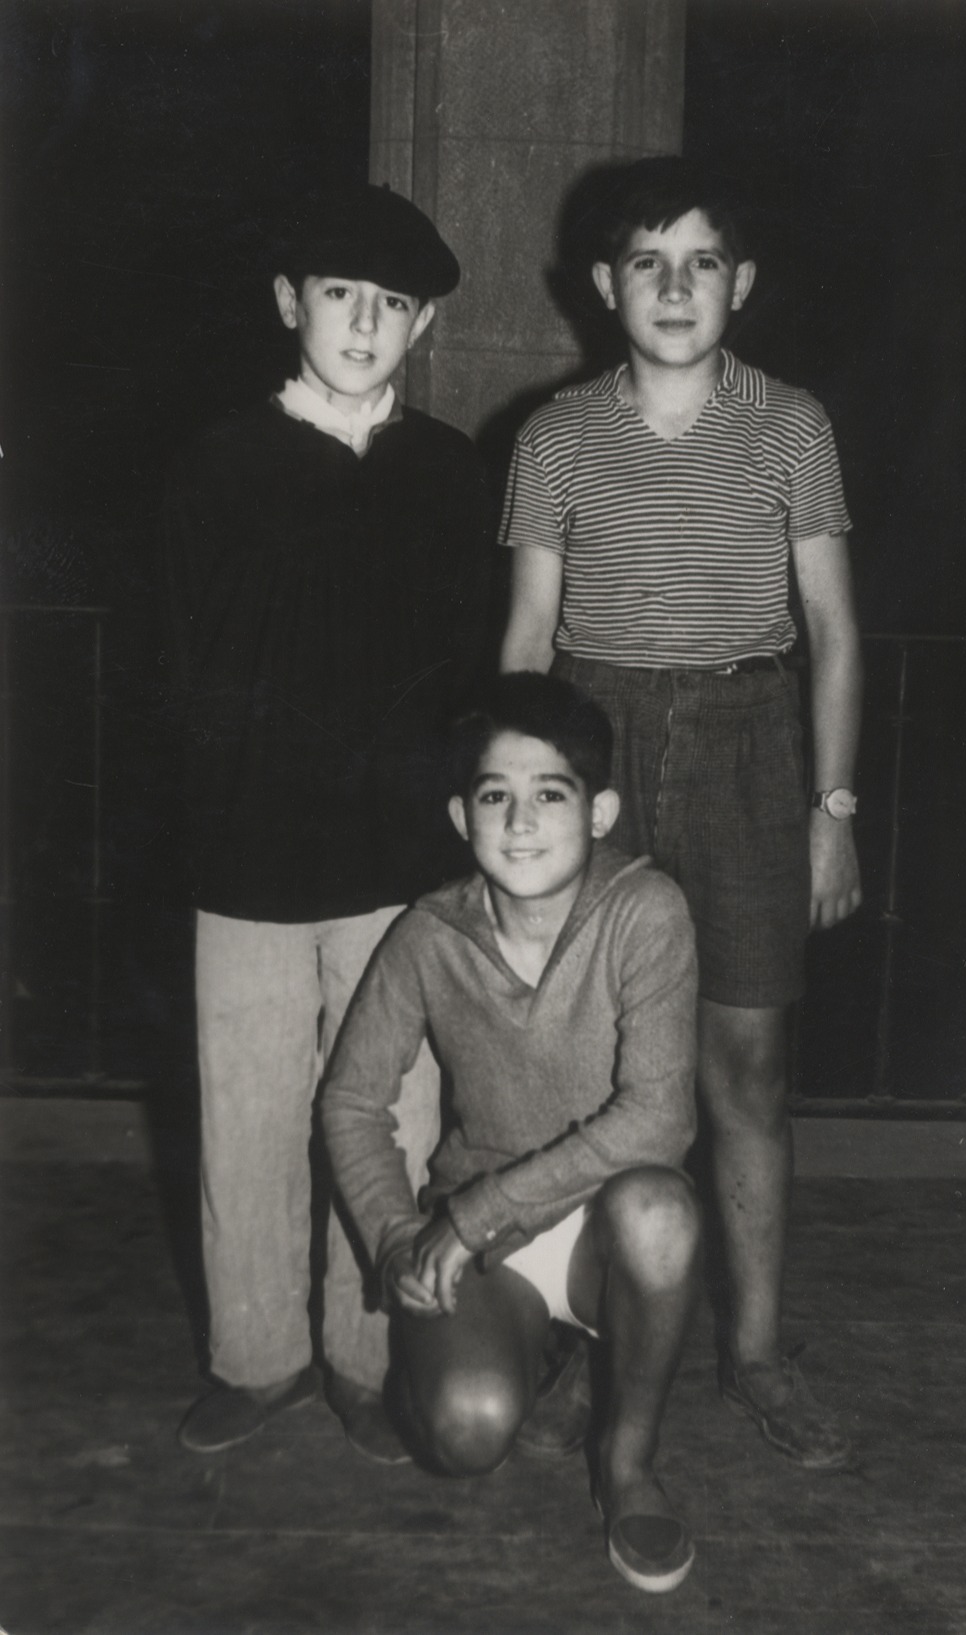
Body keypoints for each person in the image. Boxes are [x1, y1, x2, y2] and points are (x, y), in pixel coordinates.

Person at [498, 156, 862, 1470]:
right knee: (595, 1063)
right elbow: (527, 637)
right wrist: (523, 805)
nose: (672, 286)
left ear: (738, 284)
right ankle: (585, 1337)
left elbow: (832, 630)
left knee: (744, 1066)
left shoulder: (792, 426)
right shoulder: (553, 436)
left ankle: (755, 1351)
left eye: (700, 261)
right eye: (646, 262)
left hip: (750, 745)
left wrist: (830, 808)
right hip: (594, 740)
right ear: (604, 286)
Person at [162, 181, 493, 1460]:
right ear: (288, 302)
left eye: (391, 303)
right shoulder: (216, 461)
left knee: (391, 1111)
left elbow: (469, 667)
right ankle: (257, 1358)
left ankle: (366, 1355)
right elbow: (178, 660)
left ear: (421, 326)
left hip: (398, 854)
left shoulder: (448, 471)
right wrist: (198, 812)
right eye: (339, 295)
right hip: (246, 847)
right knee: (245, 1105)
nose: (363, 322)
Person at [322, 672, 701, 1593]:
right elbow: (350, 1101)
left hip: (603, 1224)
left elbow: (659, 1117)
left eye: (551, 795)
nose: (521, 821)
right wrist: (397, 1235)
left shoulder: (647, 911)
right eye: (495, 796)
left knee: (663, 1211)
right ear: (462, 816)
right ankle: (532, 1348)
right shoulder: (426, 935)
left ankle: (628, 1462)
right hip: (490, 1244)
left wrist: (477, 1215)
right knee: (465, 1432)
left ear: (600, 811)